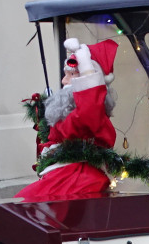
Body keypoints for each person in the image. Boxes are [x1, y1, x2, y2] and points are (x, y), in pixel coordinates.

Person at [15, 38, 118, 202]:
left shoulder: (88, 113)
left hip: (77, 178)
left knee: (26, 202)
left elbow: (88, 111)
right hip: (65, 173)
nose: (64, 81)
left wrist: (87, 71)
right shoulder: (72, 111)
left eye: (71, 75)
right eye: (65, 74)